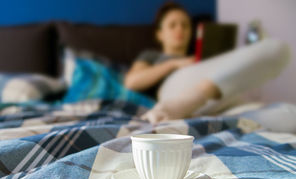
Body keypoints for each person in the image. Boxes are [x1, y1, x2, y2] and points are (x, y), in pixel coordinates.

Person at [124, 2, 291, 123]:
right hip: (175, 94)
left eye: (185, 25)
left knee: (289, 114)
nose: (180, 29)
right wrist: (173, 64)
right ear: (159, 34)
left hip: (218, 98)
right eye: (172, 25)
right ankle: (192, 99)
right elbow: (132, 82)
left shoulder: (202, 58)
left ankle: (221, 119)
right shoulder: (151, 55)